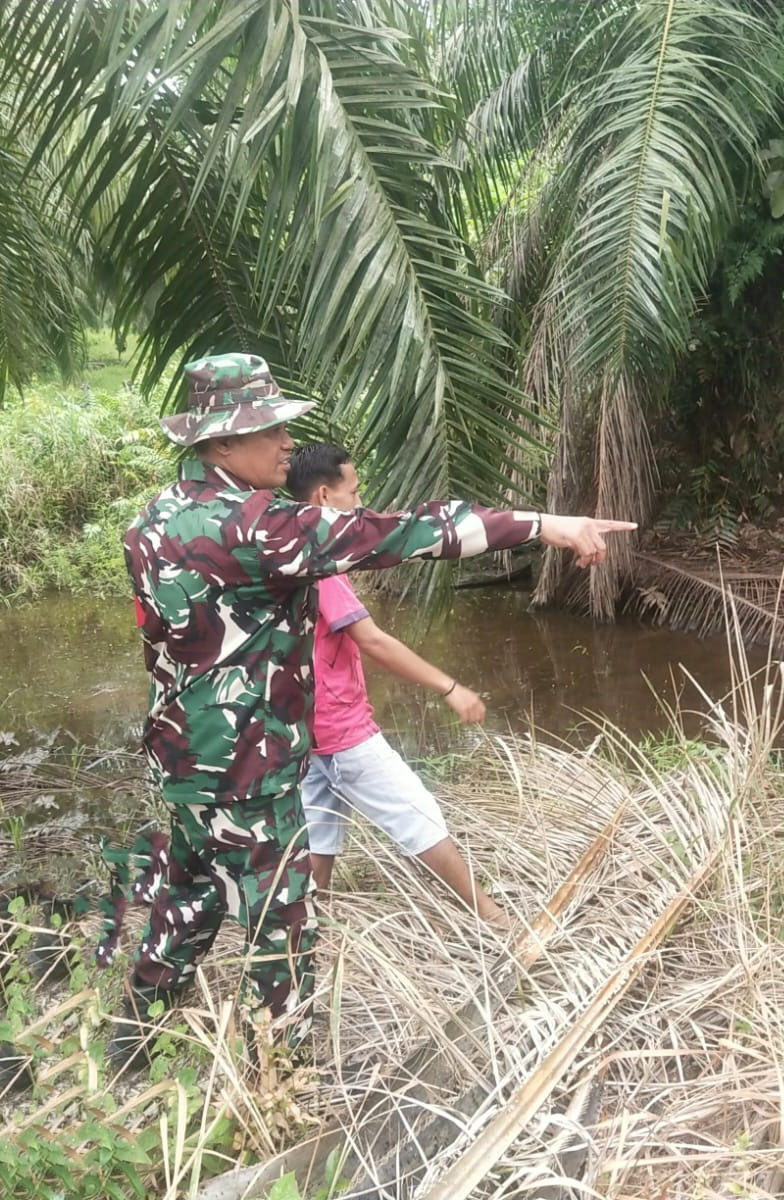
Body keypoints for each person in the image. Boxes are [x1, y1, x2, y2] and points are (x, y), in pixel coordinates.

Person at [104, 351, 634, 1071]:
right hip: (251, 772)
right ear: (222, 443)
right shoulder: (259, 527)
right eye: (269, 431)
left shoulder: (153, 517)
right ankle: (281, 1079)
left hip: (186, 762)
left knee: (188, 902)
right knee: (281, 931)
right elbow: (401, 533)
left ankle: (131, 1050)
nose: (287, 445)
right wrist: (545, 525)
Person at [286, 444, 505, 928]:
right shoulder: (320, 568)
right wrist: (450, 687)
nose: (360, 506)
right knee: (419, 817)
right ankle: (492, 917)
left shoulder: (284, 550)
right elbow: (374, 642)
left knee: (318, 834)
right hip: (342, 732)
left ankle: (305, 933)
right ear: (324, 496)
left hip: (306, 731)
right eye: (354, 493)